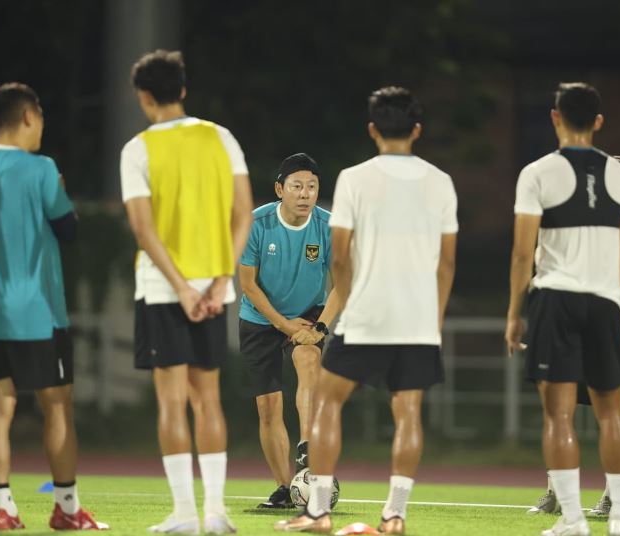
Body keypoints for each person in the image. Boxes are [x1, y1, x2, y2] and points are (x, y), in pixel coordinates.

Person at [274, 86, 457, 534]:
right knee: (408, 413)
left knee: (327, 408)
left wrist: (350, 303)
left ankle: (318, 512)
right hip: (416, 318)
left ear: (373, 129)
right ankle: (394, 515)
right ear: (417, 129)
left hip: (366, 314)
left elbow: (340, 258)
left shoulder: (354, 178)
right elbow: (447, 262)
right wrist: (434, 319)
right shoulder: (440, 182)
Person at [0, 83, 106, 531]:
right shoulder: (42, 168)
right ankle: (67, 508)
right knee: (58, 406)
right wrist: (58, 189)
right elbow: (68, 228)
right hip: (39, 311)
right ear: (27, 117)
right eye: (39, 119)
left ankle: (4, 509)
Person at [120, 49, 253, 534]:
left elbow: (142, 227)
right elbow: (244, 213)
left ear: (143, 96)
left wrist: (178, 286)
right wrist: (220, 280)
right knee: (208, 400)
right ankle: (216, 513)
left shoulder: (137, 148)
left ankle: (184, 515)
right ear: (183, 89)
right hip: (215, 290)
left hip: (163, 290)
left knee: (172, 402)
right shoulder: (221, 137)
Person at [505, 83, 620, 536]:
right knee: (612, 413)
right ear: (599, 122)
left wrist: (513, 313)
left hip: (555, 298)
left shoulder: (538, 172)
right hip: (606, 303)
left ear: (555, 117)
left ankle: (574, 520)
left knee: (558, 415)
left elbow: (523, 254)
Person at [527, 155, 620, 520]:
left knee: (614, 414)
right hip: (571, 319)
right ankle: (556, 495)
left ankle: (612, 500)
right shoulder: (583, 217)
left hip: (613, 325)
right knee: (559, 411)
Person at [238, 152, 342, 509]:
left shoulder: (328, 226)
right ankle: (286, 487)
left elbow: (342, 282)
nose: (305, 193)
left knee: (309, 362)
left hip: (310, 313)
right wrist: (284, 326)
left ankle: (308, 446)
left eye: (312, 187)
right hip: (260, 317)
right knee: (268, 407)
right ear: (280, 189)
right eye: (297, 186)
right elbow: (248, 285)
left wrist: (320, 327)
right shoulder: (256, 223)